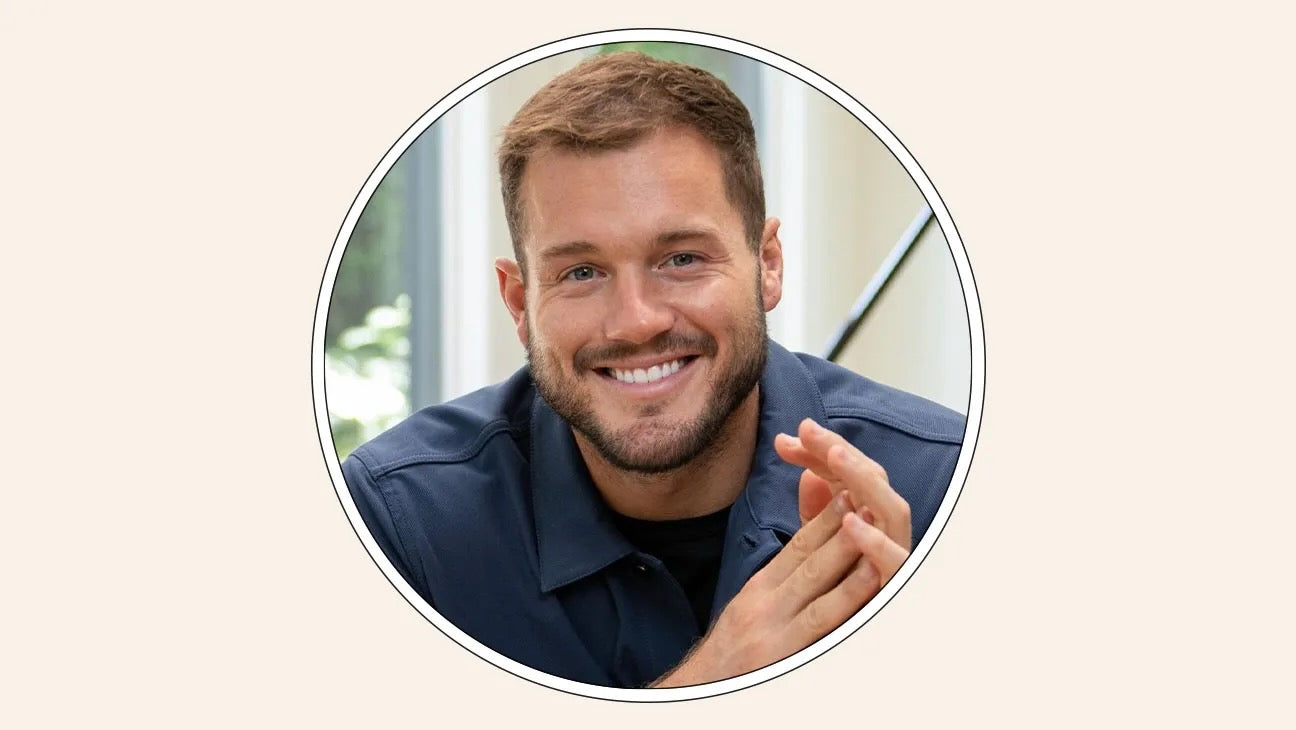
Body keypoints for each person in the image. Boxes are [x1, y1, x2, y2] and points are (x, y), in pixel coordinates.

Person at [341, 51, 965, 689]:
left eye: (683, 258)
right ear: (518, 302)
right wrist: (712, 683)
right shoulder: (395, 524)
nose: (636, 321)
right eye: (581, 273)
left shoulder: (945, 484)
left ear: (767, 263)